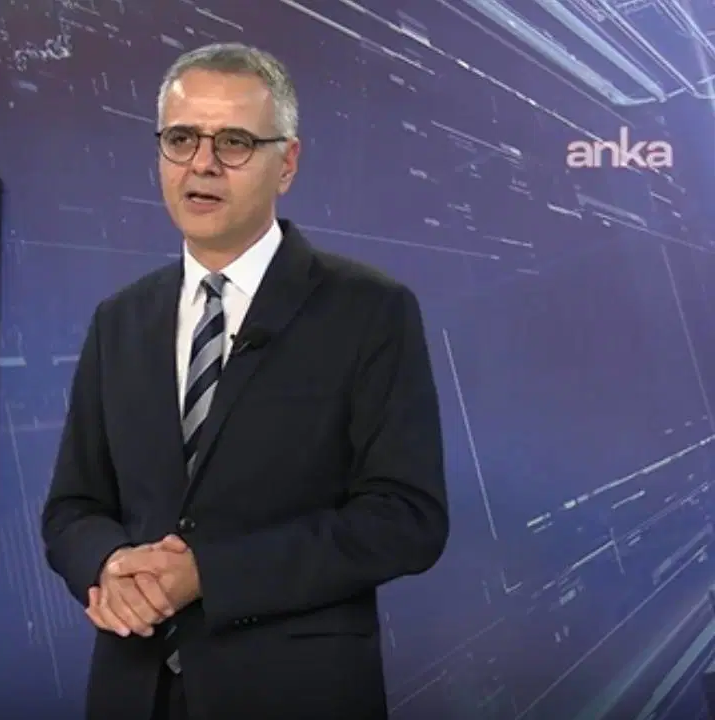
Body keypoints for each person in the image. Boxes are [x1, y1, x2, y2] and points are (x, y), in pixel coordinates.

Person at [40, 42, 450, 719]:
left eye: (233, 142)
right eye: (181, 139)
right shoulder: (120, 319)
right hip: (134, 692)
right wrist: (109, 566)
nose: (202, 163)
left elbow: (406, 519)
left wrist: (210, 573)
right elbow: (72, 508)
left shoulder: (369, 311)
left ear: (286, 163)